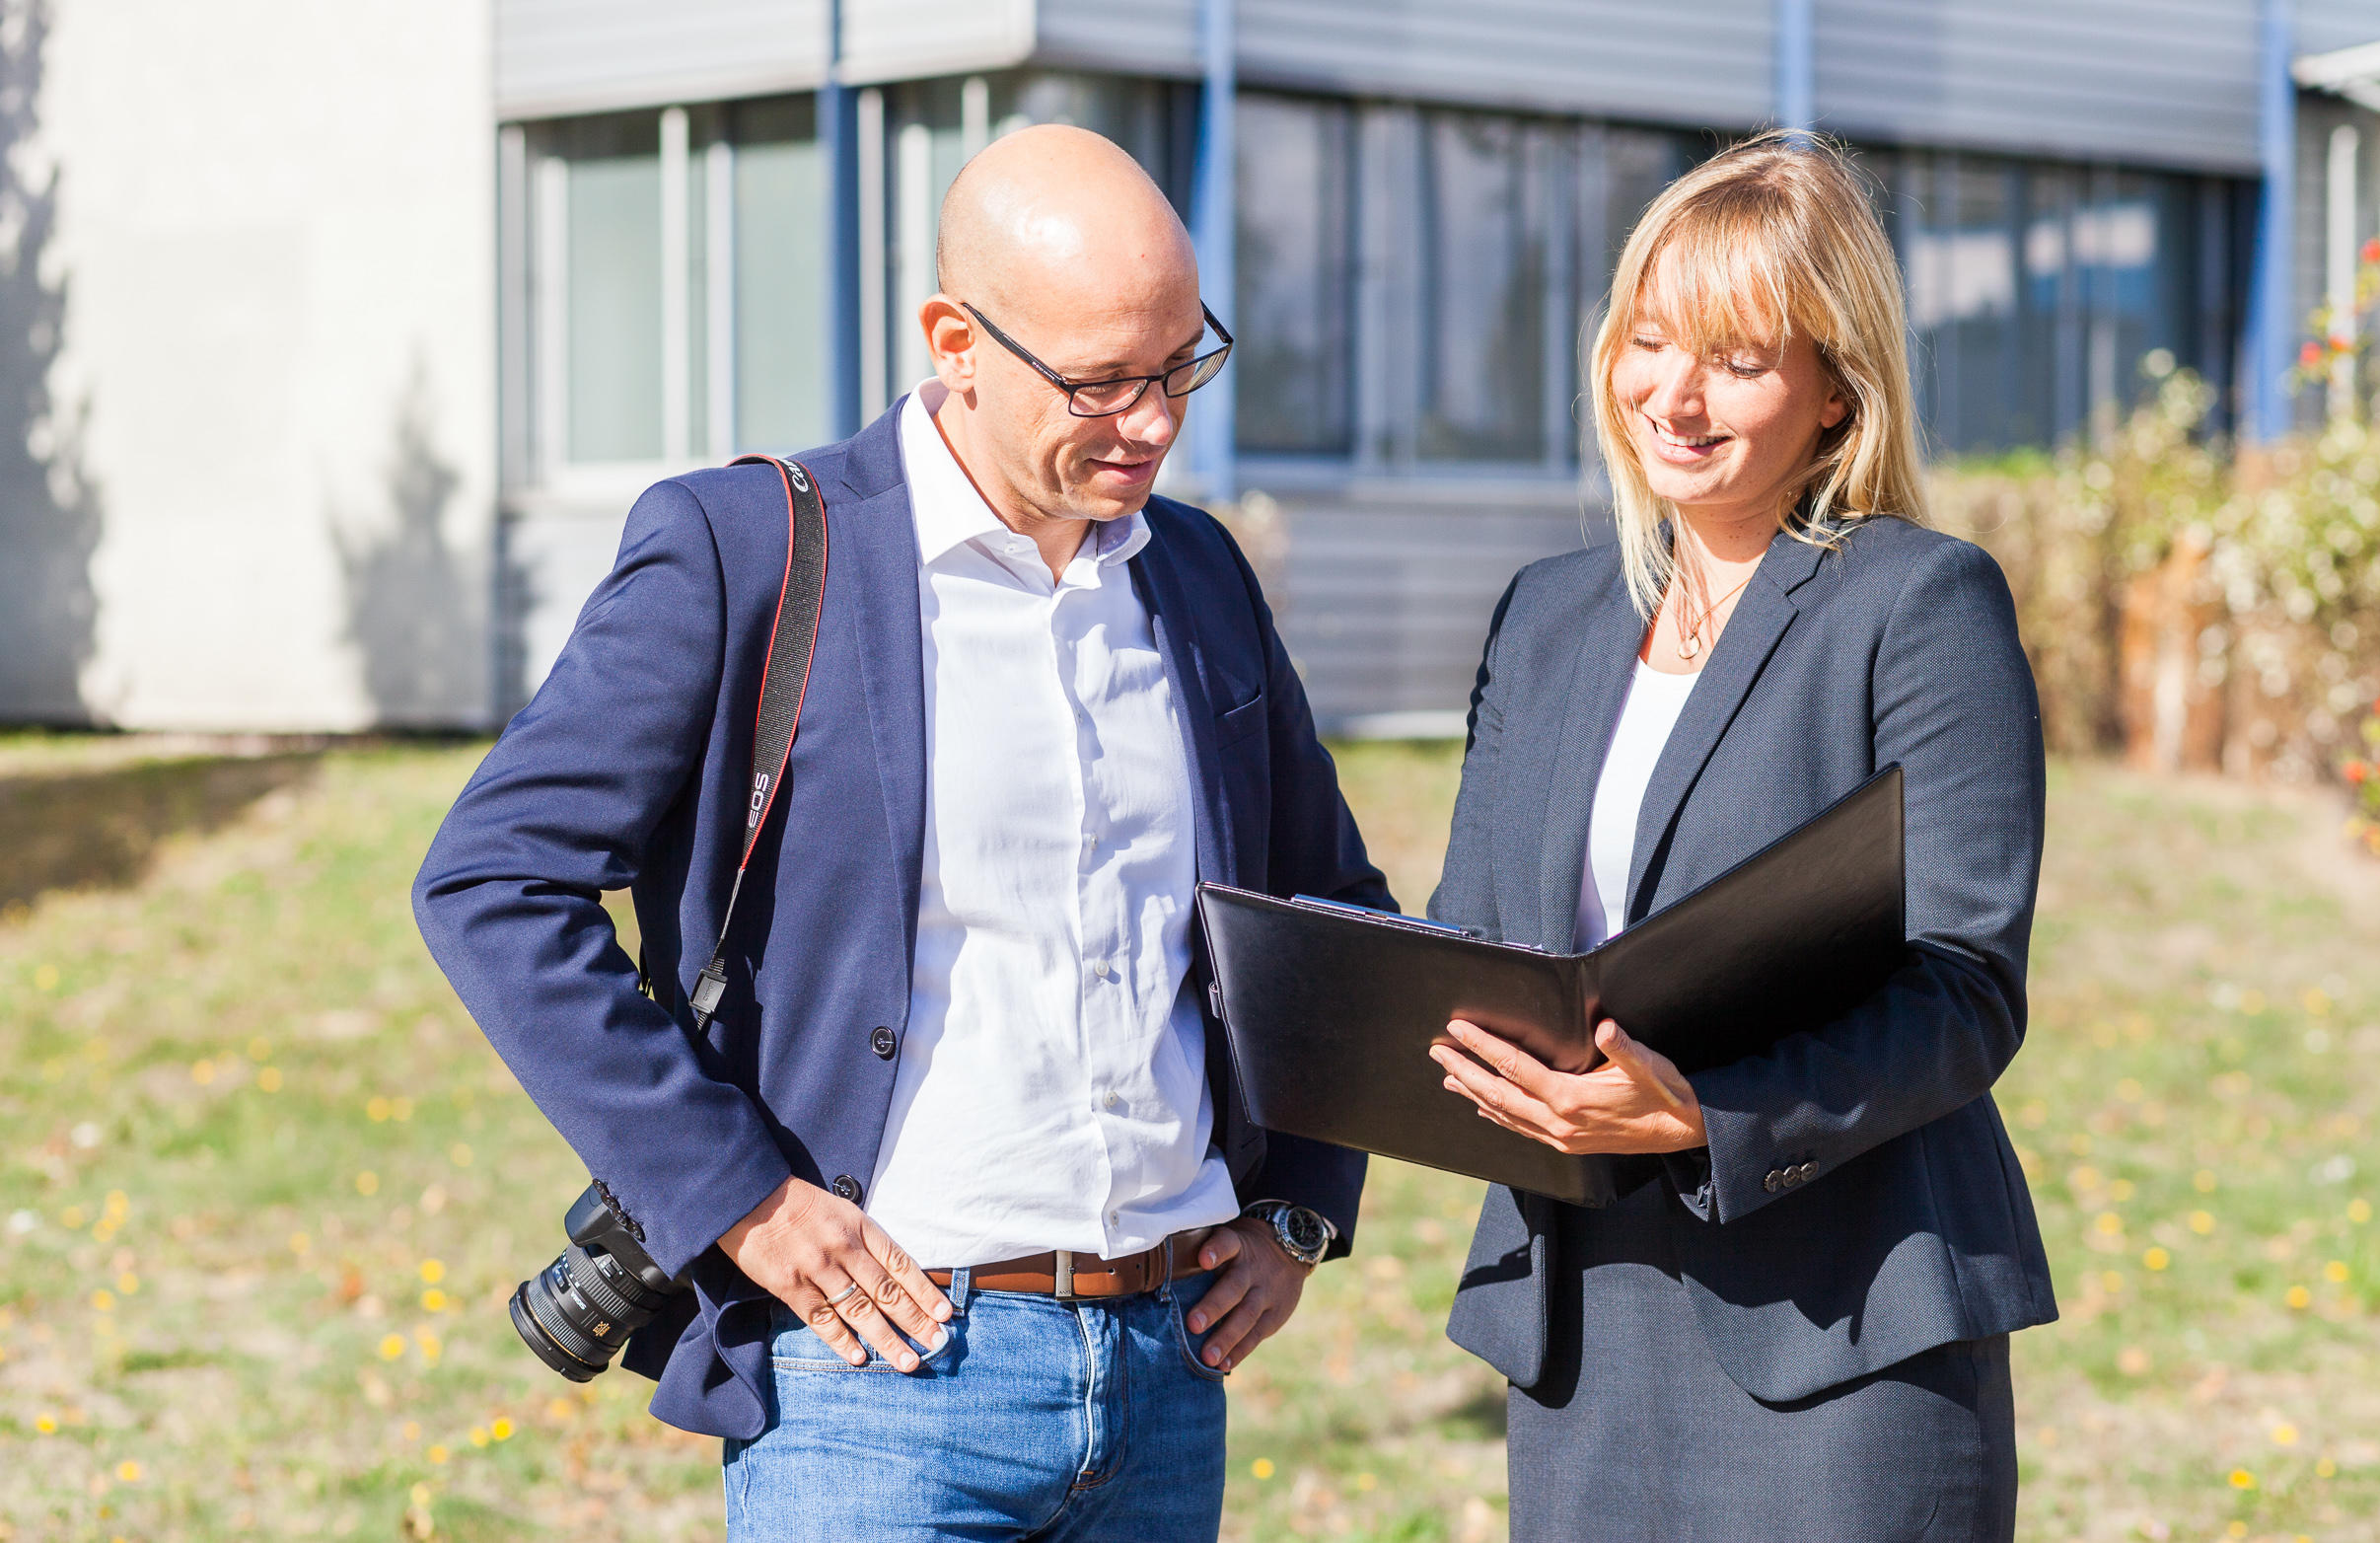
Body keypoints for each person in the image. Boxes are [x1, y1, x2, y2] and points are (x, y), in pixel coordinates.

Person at [413, 124, 1388, 1542]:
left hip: (1169, 1381)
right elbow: (492, 881)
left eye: (1184, 361)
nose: (1160, 421)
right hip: (872, 1384)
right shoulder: (745, 548)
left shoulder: (1199, 577)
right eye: (1104, 380)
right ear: (955, 340)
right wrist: (735, 1196)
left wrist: (1303, 1199)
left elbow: (1331, 904)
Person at [1426, 131, 2055, 1541]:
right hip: (1583, 1323)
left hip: (1840, 1335)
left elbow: (1965, 989)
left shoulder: (1921, 604)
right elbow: (1474, 937)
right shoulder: (1546, 616)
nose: (1675, 394)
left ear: (1838, 393)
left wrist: (1708, 1119)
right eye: (1649, 340)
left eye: (1737, 357)